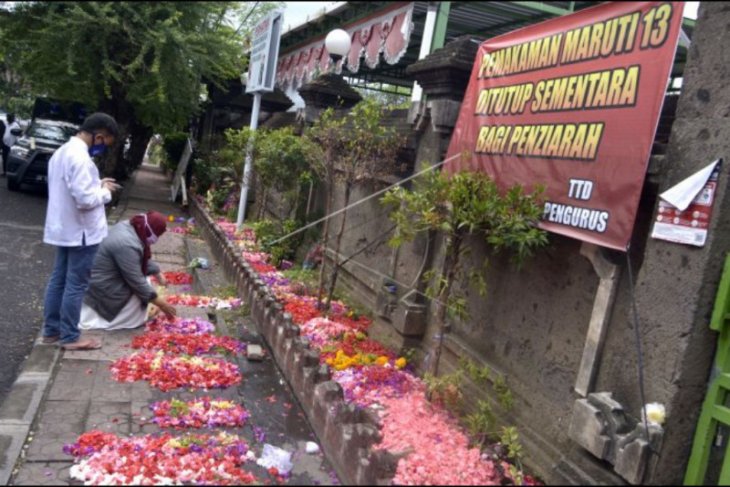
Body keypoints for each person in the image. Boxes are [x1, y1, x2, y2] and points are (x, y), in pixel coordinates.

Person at [42, 112, 122, 350]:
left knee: (59, 280)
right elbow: (86, 200)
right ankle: (69, 336)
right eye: (105, 142)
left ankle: (51, 331)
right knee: (76, 284)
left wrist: (98, 184)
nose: (104, 148)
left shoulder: (62, 152)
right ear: (99, 136)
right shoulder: (81, 158)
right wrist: (106, 192)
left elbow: (73, 188)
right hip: (81, 231)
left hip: (66, 227)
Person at [79, 211, 177, 331]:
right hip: (103, 287)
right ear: (150, 231)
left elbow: (139, 258)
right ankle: (122, 320)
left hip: (101, 278)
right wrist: (162, 304)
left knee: (146, 283)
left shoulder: (131, 226)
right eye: (157, 235)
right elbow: (136, 280)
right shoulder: (127, 244)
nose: (155, 240)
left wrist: (157, 272)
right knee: (142, 291)